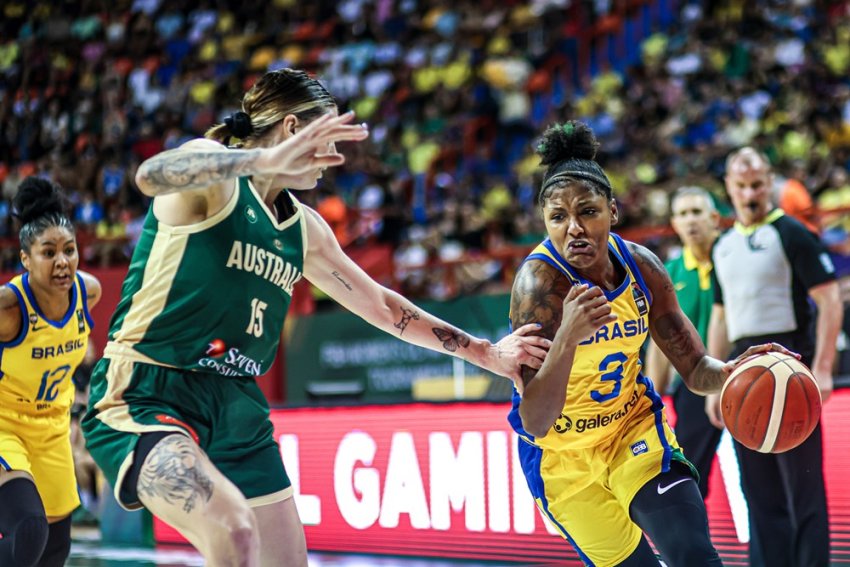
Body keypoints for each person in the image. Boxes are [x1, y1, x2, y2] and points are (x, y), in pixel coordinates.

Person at [81, 68, 550, 567]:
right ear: (289, 129)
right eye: (326, 141)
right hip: (150, 389)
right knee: (233, 532)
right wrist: (261, 159)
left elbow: (384, 307)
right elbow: (149, 175)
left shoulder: (305, 228)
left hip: (237, 403)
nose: (334, 160)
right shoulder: (216, 177)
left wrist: (487, 352)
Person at [507, 121, 791, 566]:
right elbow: (536, 420)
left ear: (613, 212)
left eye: (588, 211)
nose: (574, 228)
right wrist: (566, 339)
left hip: (631, 430)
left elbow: (696, 370)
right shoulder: (539, 285)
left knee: (693, 553)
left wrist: (734, 371)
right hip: (562, 460)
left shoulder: (643, 268)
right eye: (558, 217)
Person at [705, 147, 842, 567]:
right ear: (729, 187)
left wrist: (821, 367)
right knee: (757, 487)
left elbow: (830, 299)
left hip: (789, 361)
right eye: (742, 185)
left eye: (758, 184)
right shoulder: (722, 245)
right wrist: (714, 380)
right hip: (743, 366)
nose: (750, 193)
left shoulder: (792, 232)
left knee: (802, 484)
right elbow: (720, 316)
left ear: (770, 183)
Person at [0, 177, 102, 567]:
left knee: (55, 550)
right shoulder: (10, 308)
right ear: (26, 259)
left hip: (52, 428)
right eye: (48, 252)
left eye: (69, 250)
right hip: (5, 425)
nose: (63, 261)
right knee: (29, 530)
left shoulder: (87, 293)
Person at [644, 186, 722, 498]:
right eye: (683, 214)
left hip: (743, 375)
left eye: (697, 212)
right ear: (674, 223)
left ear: (714, 218)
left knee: (758, 479)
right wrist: (653, 398)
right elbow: (661, 345)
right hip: (694, 385)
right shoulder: (667, 273)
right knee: (690, 478)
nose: (691, 221)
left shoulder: (731, 257)